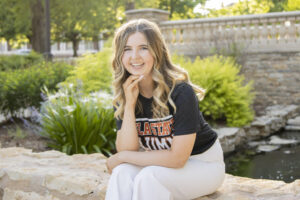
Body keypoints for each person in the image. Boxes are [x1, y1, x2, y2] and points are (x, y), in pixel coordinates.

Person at [105, 19, 225, 200]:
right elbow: (128, 149)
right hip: (161, 165)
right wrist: (129, 105)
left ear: (157, 52)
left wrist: (122, 156)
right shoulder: (125, 94)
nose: (134, 56)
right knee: (121, 173)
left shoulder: (180, 92)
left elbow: (178, 158)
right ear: (120, 56)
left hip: (203, 164)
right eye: (127, 49)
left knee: (148, 177)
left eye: (143, 48)